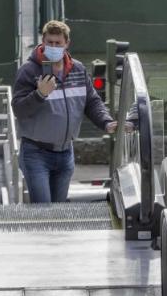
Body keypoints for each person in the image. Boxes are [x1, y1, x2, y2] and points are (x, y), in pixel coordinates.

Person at [12, 20, 117, 203]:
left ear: (66, 43)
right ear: (43, 42)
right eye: (49, 42)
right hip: (36, 153)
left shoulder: (78, 69)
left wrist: (106, 122)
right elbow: (18, 109)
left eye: (57, 43)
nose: (53, 46)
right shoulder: (28, 71)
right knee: (44, 211)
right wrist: (39, 94)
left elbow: (92, 102)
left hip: (65, 153)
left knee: (60, 212)